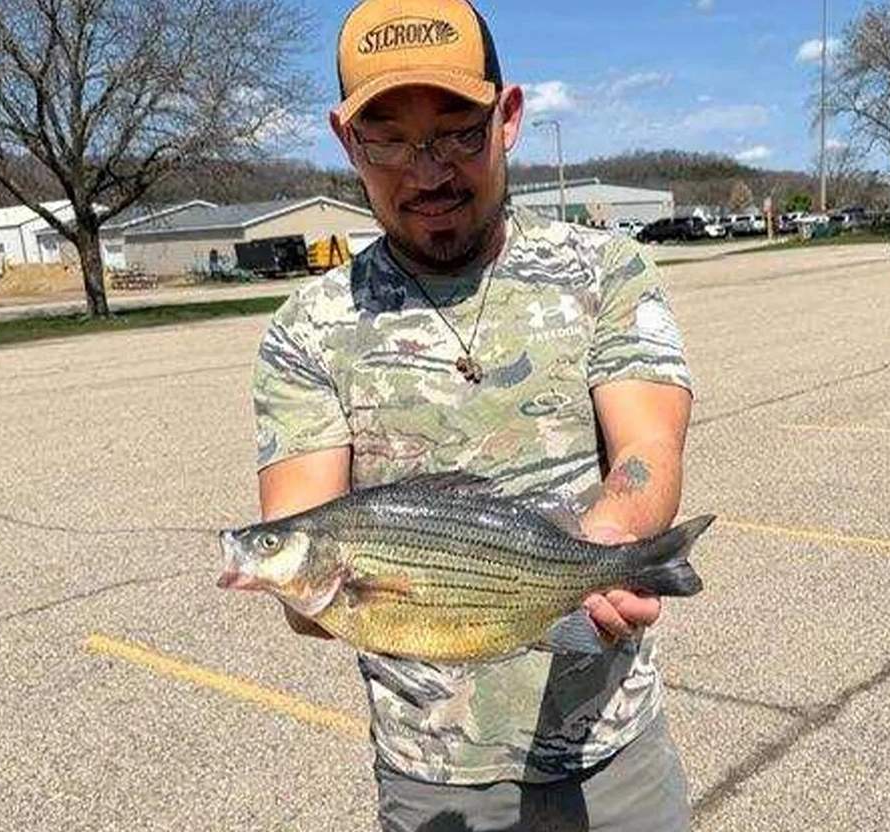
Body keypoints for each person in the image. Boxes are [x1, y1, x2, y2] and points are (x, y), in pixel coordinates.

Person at [251, 0, 696, 828]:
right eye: (388, 138)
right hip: (433, 779)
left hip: (616, 750)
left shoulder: (603, 268)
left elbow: (647, 441)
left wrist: (606, 542)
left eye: (458, 130)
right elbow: (300, 563)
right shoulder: (306, 330)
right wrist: (330, 583)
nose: (427, 172)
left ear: (509, 116)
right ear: (348, 144)